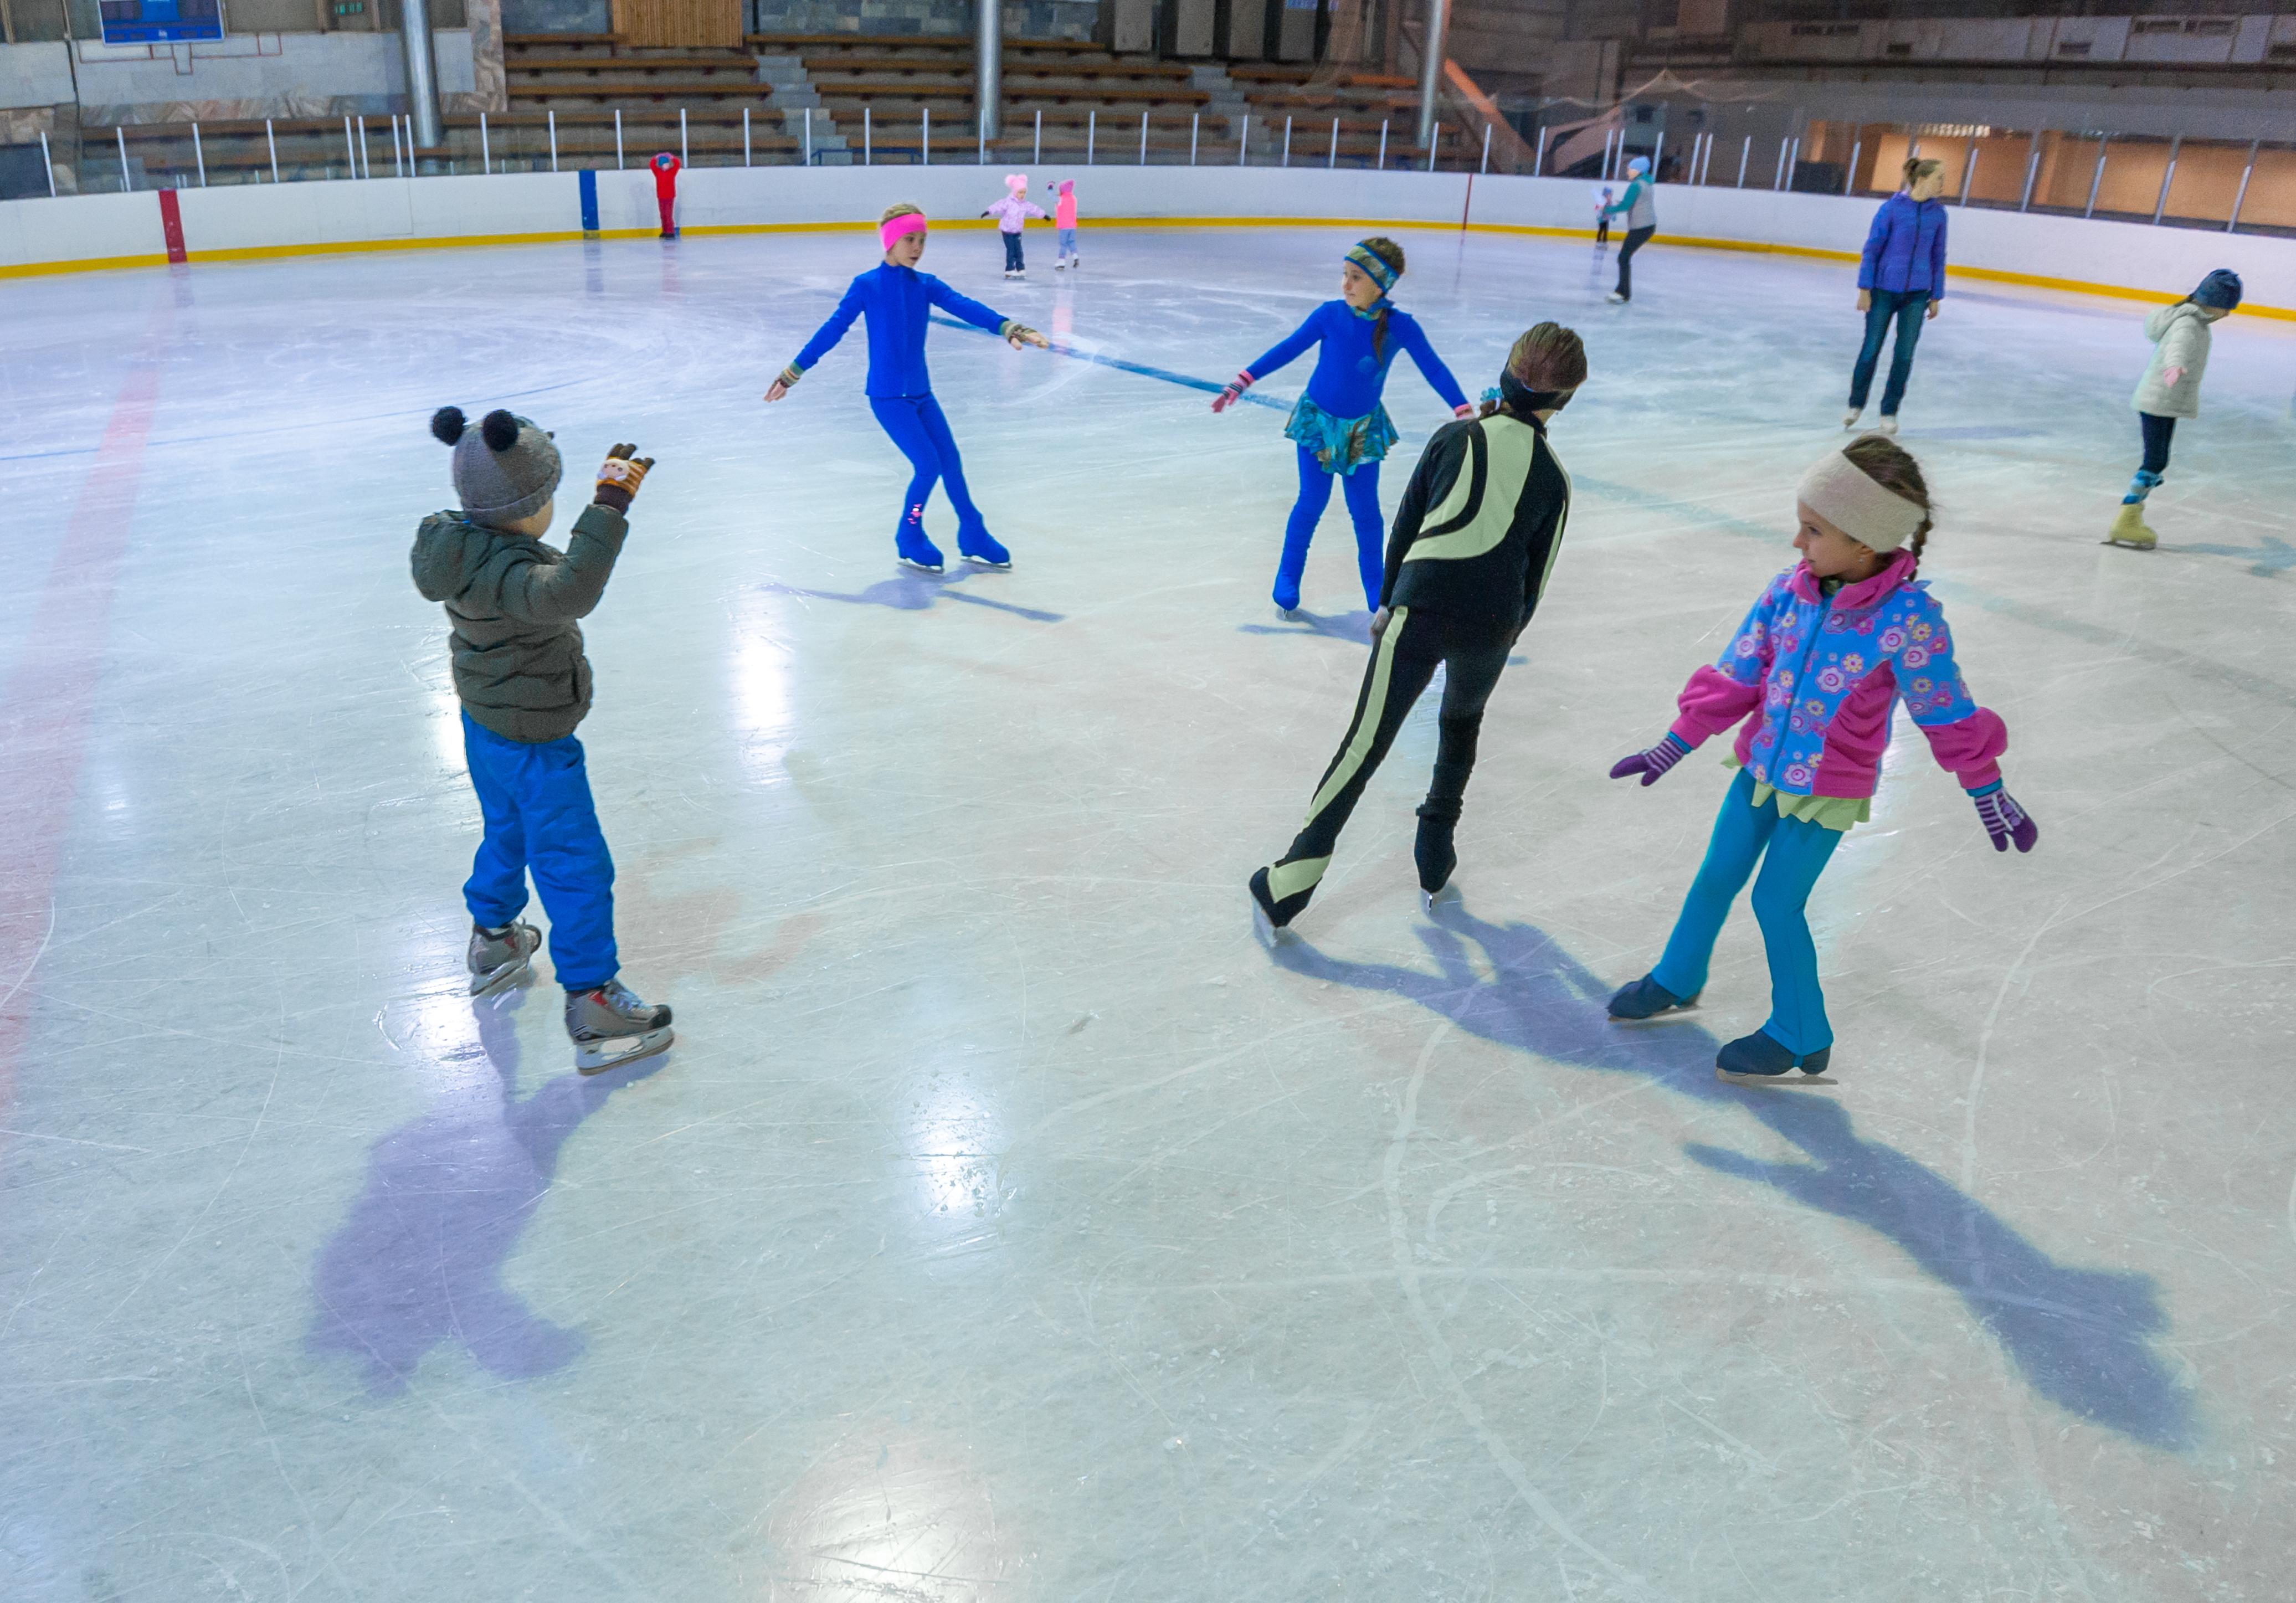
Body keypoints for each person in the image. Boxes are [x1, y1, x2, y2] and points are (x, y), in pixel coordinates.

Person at [1604, 435, 2037, 1085]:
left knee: (1776, 903)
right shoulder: (1789, 591)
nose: (1796, 543)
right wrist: (1677, 739)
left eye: (1812, 529)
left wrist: (1985, 786)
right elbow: (1737, 673)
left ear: (1865, 541)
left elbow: (1944, 712)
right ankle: (1677, 974)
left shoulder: (1908, 620)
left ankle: (1799, 1029)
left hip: (1826, 790)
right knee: (1714, 877)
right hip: (1757, 769)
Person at [1247, 323, 1585, 936]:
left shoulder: (1455, 436)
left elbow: (1404, 530)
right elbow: (1537, 579)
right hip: (1491, 627)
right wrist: (1504, 637)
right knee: (1460, 726)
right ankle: (1435, 853)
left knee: (1365, 742)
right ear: (1562, 401)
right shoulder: (1553, 478)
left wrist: (1384, 604)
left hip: (1419, 611)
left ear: (1505, 371)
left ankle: (1294, 877)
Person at [410, 407, 675, 1074]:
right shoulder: (516, 577)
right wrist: (609, 506)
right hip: (534, 735)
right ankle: (592, 1000)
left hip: (485, 723)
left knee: (509, 831)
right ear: (524, 509)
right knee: (574, 860)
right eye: (547, 497)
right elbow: (573, 588)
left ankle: (495, 938)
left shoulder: (454, 546)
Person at [766, 203, 1050, 573]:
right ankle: (910, 532)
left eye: (922, 240)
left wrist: (1007, 326)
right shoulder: (866, 285)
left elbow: (965, 306)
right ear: (890, 241)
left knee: (950, 461)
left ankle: (973, 532)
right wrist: (793, 372)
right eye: (910, 239)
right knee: (928, 464)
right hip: (887, 398)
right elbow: (833, 330)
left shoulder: (925, 285)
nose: (917, 247)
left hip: (921, 395)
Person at [1211, 238, 1473, 613]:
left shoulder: (1401, 327)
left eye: (1356, 277)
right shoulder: (1329, 315)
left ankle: (1376, 586)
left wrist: (1461, 408)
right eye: (1344, 275)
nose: (1345, 285)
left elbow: (1432, 367)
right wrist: (1243, 379)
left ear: (1380, 285)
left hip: (1363, 432)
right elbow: (1288, 348)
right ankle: (1287, 575)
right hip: (1316, 424)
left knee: (1365, 509)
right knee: (1311, 502)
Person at [2107, 268, 2242, 550]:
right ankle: (2127, 519)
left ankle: (2130, 516)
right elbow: (2178, 347)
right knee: (2155, 462)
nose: (2227, 314)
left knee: (2157, 461)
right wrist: (2174, 366)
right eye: (2226, 308)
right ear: (2213, 303)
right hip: (2160, 400)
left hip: (2162, 401)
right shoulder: (2189, 323)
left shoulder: (2190, 318)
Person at [1843, 156, 1948, 434]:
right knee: (1871, 350)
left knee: (1904, 355)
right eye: (1940, 178)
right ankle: (1856, 404)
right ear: (1923, 179)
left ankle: (1889, 411)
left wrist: (1936, 295)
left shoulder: (1939, 215)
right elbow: (1872, 250)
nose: (1943, 184)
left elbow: (1939, 256)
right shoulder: (1891, 210)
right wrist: (1865, 289)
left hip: (1917, 294)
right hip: (1882, 291)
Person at [1598, 156, 1656, 303]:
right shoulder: (1647, 183)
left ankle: (1623, 293)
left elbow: (1625, 207)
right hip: (1647, 226)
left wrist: (1607, 208)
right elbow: (1634, 203)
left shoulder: (1636, 185)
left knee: (1623, 258)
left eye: (1630, 168)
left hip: (1641, 227)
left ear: (1638, 170)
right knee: (1624, 258)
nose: (1628, 171)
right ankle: (1623, 292)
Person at [982, 173, 1046, 279]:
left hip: (1017, 231)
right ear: (1015, 192)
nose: (1022, 195)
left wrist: (1043, 215)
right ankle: (1010, 270)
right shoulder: (1008, 202)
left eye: (1024, 193)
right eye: (1020, 192)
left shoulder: (1025, 204)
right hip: (1007, 231)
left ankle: (1020, 268)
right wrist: (989, 211)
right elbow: (998, 206)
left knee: (1019, 251)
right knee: (1011, 250)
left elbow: (1034, 209)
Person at [1047, 178, 1080, 269]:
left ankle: (1061, 261)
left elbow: (1051, 196)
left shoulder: (1060, 199)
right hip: (1072, 226)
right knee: (1071, 242)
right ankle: (1075, 257)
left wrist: (1050, 186)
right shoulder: (1073, 198)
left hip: (1064, 226)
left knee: (1063, 244)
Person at [650, 150, 681, 240]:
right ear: (661, 165)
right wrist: (656, 157)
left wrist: (671, 157)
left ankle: (670, 232)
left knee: (668, 214)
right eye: (665, 164)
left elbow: (677, 164)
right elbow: (652, 165)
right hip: (661, 196)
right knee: (663, 214)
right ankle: (665, 231)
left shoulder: (672, 172)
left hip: (670, 196)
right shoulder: (658, 173)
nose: (667, 166)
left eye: (668, 164)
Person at [1593, 184, 1613, 248]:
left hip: (1607, 219)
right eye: (1609, 195)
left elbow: (1611, 209)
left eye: (1611, 195)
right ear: (1605, 195)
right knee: (1601, 230)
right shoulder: (1602, 201)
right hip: (1602, 219)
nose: (1610, 196)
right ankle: (1598, 241)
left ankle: (1604, 241)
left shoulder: (1610, 202)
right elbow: (1598, 209)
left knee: (1606, 230)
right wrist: (1599, 216)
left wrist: (1612, 215)